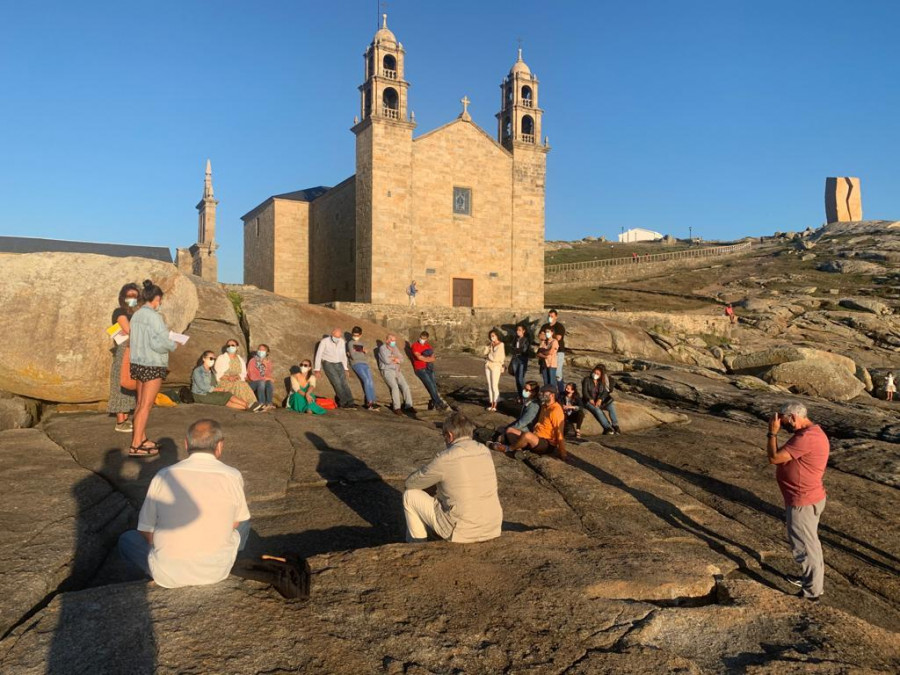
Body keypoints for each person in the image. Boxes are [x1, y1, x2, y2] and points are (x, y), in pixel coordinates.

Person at [117, 419, 251, 587]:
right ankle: (228, 561)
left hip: (168, 573)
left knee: (127, 539)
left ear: (186, 444)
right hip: (216, 572)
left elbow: (145, 529)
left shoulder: (163, 475)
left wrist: (171, 545)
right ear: (219, 446)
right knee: (244, 520)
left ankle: (142, 584)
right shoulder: (232, 475)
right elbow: (236, 522)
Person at [402, 411, 502, 543]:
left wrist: (430, 482)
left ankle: (417, 544)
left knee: (410, 496)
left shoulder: (446, 458)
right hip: (492, 527)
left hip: (463, 531)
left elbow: (411, 483)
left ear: (449, 435)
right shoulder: (484, 450)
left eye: (443, 436)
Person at [766, 402, 829, 601]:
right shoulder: (809, 433)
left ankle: (812, 594)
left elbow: (774, 458)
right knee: (812, 545)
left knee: (805, 548)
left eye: (785, 423)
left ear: (793, 417)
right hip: (809, 496)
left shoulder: (807, 437)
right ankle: (811, 580)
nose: (784, 427)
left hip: (803, 500)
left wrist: (772, 433)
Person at [128, 279, 178, 458]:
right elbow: (160, 342)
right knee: (146, 406)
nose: (160, 303)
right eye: (160, 300)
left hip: (138, 362)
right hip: (153, 363)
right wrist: (173, 344)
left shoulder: (137, 314)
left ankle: (141, 438)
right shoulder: (154, 317)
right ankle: (135, 445)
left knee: (140, 404)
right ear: (156, 298)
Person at [491, 385, 567, 461]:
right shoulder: (544, 406)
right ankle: (519, 449)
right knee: (510, 430)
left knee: (527, 435)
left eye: (544, 393)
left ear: (552, 395)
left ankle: (508, 448)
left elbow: (559, 432)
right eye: (541, 392)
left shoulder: (556, 410)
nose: (541, 394)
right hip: (536, 437)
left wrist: (562, 452)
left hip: (546, 443)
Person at [108, 283, 139, 433]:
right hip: (123, 350)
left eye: (135, 296)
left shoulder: (136, 313)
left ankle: (126, 418)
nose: (132, 298)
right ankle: (120, 421)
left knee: (130, 384)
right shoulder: (119, 312)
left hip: (134, 350)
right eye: (130, 296)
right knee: (120, 383)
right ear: (123, 297)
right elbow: (129, 330)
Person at [191, 351, 257, 411]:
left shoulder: (212, 371)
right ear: (204, 358)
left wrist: (220, 388)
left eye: (214, 359)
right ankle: (249, 406)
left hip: (211, 393)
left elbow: (215, 382)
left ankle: (250, 408)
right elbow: (202, 387)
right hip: (201, 395)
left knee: (227, 397)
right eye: (211, 358)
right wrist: (218, 389)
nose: (213, 360)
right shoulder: (198, 371)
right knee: (225, 399)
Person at [314, 328, 357, 409]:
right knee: (336, 382)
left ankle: (351, 402)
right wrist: (317, 369)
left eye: (339, 336)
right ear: (332, 334)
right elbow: (319, 355)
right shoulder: (324, 342)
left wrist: (346, 368)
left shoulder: (341, 341)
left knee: (344, 382)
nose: (337, 338)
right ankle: (343, 402)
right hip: (328, 362)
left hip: (339, 363)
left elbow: (343, 355)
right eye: (335, 336)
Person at [377, 334, 417, 416]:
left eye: (394, 340)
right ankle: (397, 408)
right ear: (387, 340)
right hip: (387, 370)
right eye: (392, 340)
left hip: (397, 370)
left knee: (405, 386)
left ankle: (408, 405)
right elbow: (386, 361)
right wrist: (395, 359)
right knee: (394, 387)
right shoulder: (382, 348)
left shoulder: (395, 348)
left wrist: (393, 358)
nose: (393, 342)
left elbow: (401, 358)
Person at [214, 340, 259, 407]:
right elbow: (217, 374)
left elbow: (243, 373)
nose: (230, 347)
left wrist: (237, 376)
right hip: (224, 382)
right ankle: (249, 404)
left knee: (243, 384)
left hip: (236, 380)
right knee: (239, 384)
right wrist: (228, 377)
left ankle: (254, 403)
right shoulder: (221, 358)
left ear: (237, 347)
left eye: (233, 345)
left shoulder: (240, 359)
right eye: (228, 345)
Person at [411, 330, 447, 411]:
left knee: (434, 385)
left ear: (427, 339)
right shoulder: (415, 345)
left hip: (429, 368)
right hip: (420, 369)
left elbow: (433, 357)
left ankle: (435, 403)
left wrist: (427, 359)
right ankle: (439, 403)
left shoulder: (428, 346)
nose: (422, 339)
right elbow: (419, 357)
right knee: (430, 385)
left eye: (424, 338)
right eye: (421, 338)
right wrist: (428, 359)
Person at [581, 364, 621, 435]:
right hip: (588, 401)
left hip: (599, 400)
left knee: (611, 407)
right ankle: (607, 427)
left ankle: (615, 425)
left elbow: (605, 392)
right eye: (595, 373)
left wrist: (600, 399)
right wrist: (590, 399)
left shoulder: (601, 382)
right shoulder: (587, 380)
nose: (595, 374)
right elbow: (585, 392)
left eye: (597, 374)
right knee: (597, 410)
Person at [347, 326, 380, 411]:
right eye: (354, 334)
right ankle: (369, 403)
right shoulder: (350, 343)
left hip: (364, 363)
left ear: (360, 335)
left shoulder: (362, 343)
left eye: (357, 335)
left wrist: (358, 350)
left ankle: (374, 401)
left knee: (370, 381)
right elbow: (353, 355)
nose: (355, 336)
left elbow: (363, 353)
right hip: (356, 363)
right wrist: (361, 350)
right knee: (366, 380)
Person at [499, 380, 540, 444]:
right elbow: (520, 419)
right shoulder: (528, 402)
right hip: (524, 427)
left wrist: (509, 428)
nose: (524, 391)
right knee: (502, 429)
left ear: (533, 392)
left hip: (528, 430)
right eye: (524, 388)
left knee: (507, 432)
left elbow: (524, 422)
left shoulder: (534, 406)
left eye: (527, 390)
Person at [540, 310, 566, 396]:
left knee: (557, 374)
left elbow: (558, 337)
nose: (549, 317)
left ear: (556, 316)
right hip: (546, 353)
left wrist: (548, 336)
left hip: (558, 352)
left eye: (551, 316)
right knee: (547, 374)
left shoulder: (559, 326)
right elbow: (540, 336)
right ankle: (548, 392)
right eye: (549, 315)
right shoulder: (544, 326)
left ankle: (561, 392)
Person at [246, 344, 275, 409]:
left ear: (267, 352)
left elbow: (268, 375)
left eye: (263, 350)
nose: (261, 351)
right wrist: (265, 378)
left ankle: (269, 403)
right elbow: (252, 377)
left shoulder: (268, 362)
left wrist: (265, 365)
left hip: (262, 382)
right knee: (261, 382)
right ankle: (261, 403)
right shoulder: (253, 361)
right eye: (259, 349)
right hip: (252, 383)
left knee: (269, 382)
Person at [484, 328, 506, 412]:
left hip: (496, 365)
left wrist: (488, 355)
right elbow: (484, 353)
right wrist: (487, 347)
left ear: (497, 336)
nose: (492, 337)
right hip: (488, 365)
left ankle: (495, 403)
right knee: (489, 385)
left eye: (493, 336)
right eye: (490, 336)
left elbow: (496, 357)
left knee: (494, 385)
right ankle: (491, 402)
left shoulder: (501, 344)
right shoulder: (490, 344)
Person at [510, 324, 531, 398]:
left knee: (520, 378)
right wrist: (516, 350)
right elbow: (512, 348)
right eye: (517, 330)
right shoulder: (515, 339)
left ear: (523, 331)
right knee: (516, 378)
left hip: (522, 360)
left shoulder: (526, 339)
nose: (517, 332)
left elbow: (523, 350)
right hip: (515, 359)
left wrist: (517, 350)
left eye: (519, 330)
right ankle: (520, 395)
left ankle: (524, 395)